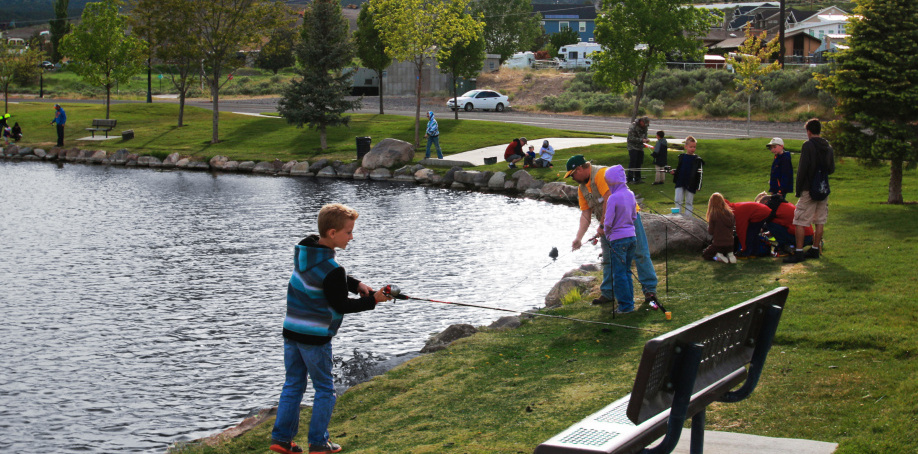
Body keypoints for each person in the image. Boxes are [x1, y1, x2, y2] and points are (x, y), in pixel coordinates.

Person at [270, 203, 392, 454]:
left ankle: (282, 440)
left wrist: (356, 283)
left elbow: (324, 278)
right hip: (315, 339)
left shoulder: (305, 253)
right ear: (333, 233)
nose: (352, 237)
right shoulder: (334, 269)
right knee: (325, 389)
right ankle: (318, 443)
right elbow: (341, 304)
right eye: (348, 232)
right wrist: (373, 300)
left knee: (293, 384)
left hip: (292, 333)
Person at [566, 155, 660, 309]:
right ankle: (609, 293)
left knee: (640, 253)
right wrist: (578, 238)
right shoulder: (582, 188)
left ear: (580, 169)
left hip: (628, 218)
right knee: (608, 259)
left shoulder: (601, 175)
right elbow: (585, 215)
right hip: (607, 226)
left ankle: (650, 290)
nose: (572, 178)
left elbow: (609, 199)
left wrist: (602, 226)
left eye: (572, 174)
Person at [785, 119, 834, 263]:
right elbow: (831, 169)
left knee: (800, 220)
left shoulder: (808, 146)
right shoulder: (828, 147)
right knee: (820, 220)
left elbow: (802, 169)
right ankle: (815, 248)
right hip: (823, 188)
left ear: (809, 131)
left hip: (809, 187)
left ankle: (799, 252)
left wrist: (798, 189)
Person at [601, 164, 638, 314]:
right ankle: (630, 302)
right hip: (632, 238)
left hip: (618, 240)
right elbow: (634, 216)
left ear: (612, 182)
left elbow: (608, 222)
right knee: (627, 271)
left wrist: (606, 232)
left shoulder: (613, 198)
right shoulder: (630, 194)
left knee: (619, 273)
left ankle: (625, 306)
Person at [670, 136, 703, 218]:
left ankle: (688, 218)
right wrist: (674, 172)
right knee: (678, 200)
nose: (693, 149)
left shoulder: (697, 160)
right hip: (680, 182)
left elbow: (700, 174)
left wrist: (698, 186)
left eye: (694, 147)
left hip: (691, 183)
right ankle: (677, 217)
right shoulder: (682, 157)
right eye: (691, 147)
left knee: (689, 202)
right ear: (686, 147)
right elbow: (680, 169)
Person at [703, 193, 736, 263]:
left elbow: (710, 231)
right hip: (730, 244)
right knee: (727, 251)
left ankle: (718, 258)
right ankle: (730, 255)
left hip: (718, 244)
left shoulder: (714, 214)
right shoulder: (730, 213)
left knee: (706, 255)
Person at [626, 116, 650, 183]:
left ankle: (638, 178)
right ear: (641, 121)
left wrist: (646, 139)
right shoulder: (633, 126)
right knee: (633, 162)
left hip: (640, 147)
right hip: (632, 146)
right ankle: (630, 179)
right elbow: (631, 138)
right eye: (644, 124)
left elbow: (645, 134)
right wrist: (641, 140)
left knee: (639, 162)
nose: (645, 126)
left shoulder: (645, 127)